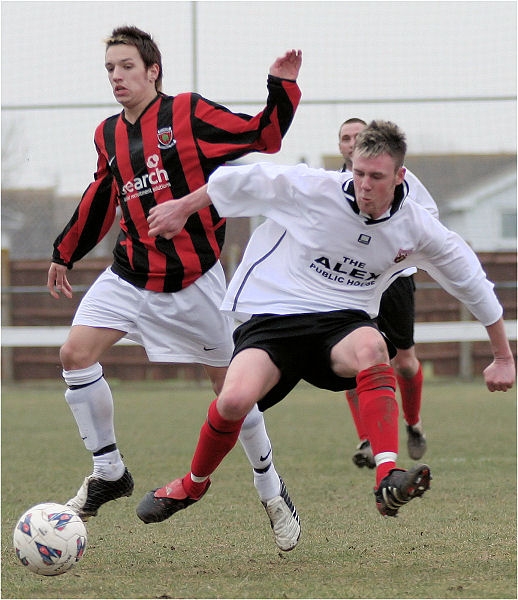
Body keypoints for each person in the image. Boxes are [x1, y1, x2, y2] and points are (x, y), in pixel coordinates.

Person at [136, 120, 515, 536]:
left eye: (377, 176)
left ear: (399, 176)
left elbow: (471, 281)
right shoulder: (314, 189)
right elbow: (245, 180)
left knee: (375, 347)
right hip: (275, 317)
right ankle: (192, 485)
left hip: (341, 323)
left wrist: (502, 356)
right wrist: (182, 207)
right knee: (233, 401)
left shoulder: (417, 225)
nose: (365, 185)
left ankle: (387, 474)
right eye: (358, 173)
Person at [46, 25, 302, 551]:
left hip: (194, 284)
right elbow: (102, 196)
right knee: (74, 353)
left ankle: (271, 490)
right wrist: (64, 253)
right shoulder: (107, 134)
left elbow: (264, 135)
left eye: (126, 67)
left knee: (232, 394)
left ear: (152, 70)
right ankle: (109, 471)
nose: (117, 77)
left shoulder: (188, 113)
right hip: (129, 274)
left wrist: (280, 86)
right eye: (110, 69)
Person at [338, 117, 438, 468]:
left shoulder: (401, 177)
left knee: (405, 364)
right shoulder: (333, 185)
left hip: (394, 280)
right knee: (351, 360)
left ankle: (412, 423)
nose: (351, 143)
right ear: (340, 147)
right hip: (351, 282)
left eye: (357, 136)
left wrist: (396, 250)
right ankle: (367, 437)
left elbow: (430, 217)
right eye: (345, 138)